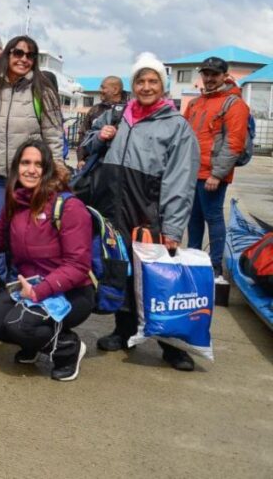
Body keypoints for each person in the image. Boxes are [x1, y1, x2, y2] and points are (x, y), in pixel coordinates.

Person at [80, 52, 200, 371]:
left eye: (153, 81)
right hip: (112, 209)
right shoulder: (117, 115)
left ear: (163, 85)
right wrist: (99, 137)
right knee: (120, 270)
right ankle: (124, 330)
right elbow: (87, 144)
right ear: (132, 85)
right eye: (140, 81)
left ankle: (172, 345)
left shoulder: (176, 126)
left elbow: (180, 181)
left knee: (158, 279)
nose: (146, 87)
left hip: (149, 213)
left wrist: (172, 228)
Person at [0, 140, 94, 381]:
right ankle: (33, 343)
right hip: (29, 287)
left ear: (47, 168)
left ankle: (67, 348)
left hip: (71, 292)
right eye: (25, 163)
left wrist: (39, 291)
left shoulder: (69, 206)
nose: (31, 170)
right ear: (16, 168)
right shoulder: (17, 202)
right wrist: (7, 206)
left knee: (18, 325)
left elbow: (78, 266)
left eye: (38, 164)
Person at [0, 35, 64, 279]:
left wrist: (56, 171)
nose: (23, 59)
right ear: (8, 54)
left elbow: (53, 136)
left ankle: (20, 282)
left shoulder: (43, 91)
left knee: (24, 234)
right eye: (18, 53)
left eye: (30, 55)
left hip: (28, 177)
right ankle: (0, 284)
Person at [185, 56, 250, 280]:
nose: (210, 78)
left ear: (225, 76)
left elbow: (234, 143)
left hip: (212, 175)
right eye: (206, 73)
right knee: (193, 219)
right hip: (192, 172)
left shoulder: (234, 104)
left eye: (215, 74)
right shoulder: (195, 103)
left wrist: (217, 174)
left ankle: (215, 268)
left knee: (213, 218)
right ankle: (193, 261)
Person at [76, 76, 126, 168]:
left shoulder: (128, 110)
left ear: (115, 90)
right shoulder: (95, 109)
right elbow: (83, 134)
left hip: (117, 166)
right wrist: (81, 158)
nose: (100, 90)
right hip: (92, 165)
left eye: (103, 87)